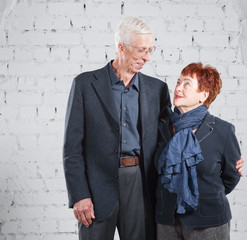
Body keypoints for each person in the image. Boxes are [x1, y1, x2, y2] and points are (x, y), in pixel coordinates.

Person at [62, 17, 171, 240]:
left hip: (141, 184)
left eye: (150, 50)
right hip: (96, 188)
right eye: (141, 50)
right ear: (121, 47)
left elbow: (170, 139)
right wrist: (79, 195)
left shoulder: (157, 89)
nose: (147, 58)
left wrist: (220, 151)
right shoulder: (84, 85)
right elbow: (72, 148)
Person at [154, 63, 241, 240]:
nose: (178, 88)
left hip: (208, 220)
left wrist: (206, 194)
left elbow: (231, 176)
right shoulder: (162, 127)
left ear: (203, 95)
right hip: (167, 220)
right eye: (178, 82)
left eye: (187, 84)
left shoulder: (222, 131)